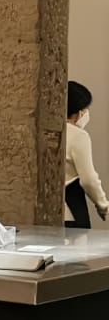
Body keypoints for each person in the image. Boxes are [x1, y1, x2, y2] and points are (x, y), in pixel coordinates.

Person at [64, 81, 109, 228]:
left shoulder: (48, 131)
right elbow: (89, 180)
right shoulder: (78, 135)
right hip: (72, 209)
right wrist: (103, 206)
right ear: (78, 112)